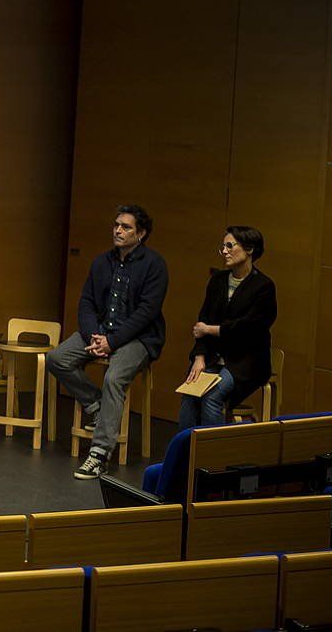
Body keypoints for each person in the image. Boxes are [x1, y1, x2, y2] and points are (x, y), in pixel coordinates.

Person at [46, 205, 168, 480]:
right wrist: (94, 337)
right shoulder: (102, 261)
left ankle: (99, 454)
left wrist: (111, 342)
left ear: (141, 234)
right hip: (100, 332)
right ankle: (96, 406)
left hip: (137, 338)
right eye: (116, 225)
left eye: (125, 227)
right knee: (57, 358)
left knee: (113, 378)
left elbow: (146, 313)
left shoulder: (154, 265)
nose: (118, 230)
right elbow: (86, 303)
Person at [178, 226, 277, 430]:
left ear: (249, 249)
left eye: (230, 246)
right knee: (190, 391)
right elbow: (202, 320)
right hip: (213, 356)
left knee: (212, 395)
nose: (224, 251)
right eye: (223, 246)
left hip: (245, 360)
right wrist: (199, 357)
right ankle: (185, 454)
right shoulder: (218, 280)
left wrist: (212, 330)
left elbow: (250, 328)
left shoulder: (264, 286)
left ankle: (211, 458)